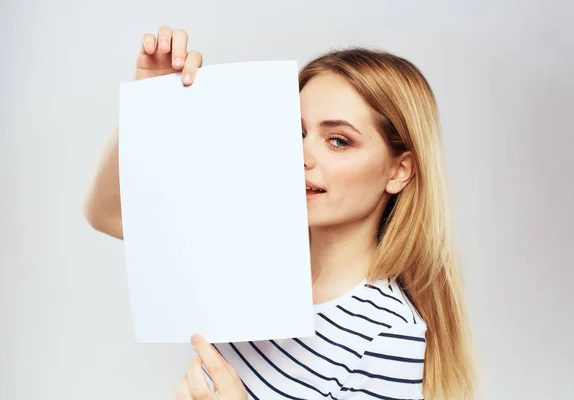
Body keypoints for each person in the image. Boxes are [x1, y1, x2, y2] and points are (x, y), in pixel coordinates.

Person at [83, 26, 475, 400]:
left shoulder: (389, 336)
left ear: (398, 170)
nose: (302, 155)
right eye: (296, 132)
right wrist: (151, 106)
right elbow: (106, 214)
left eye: (338, 141)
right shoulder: (254, 256)